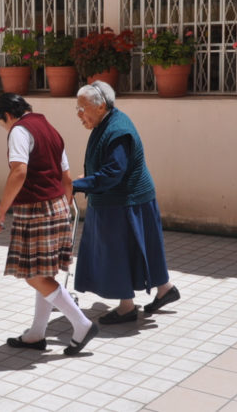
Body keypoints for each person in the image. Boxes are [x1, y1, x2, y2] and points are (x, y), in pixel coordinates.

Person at [0, 93, 98, 355]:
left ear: (7, 115)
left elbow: (18, 172)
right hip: (58, 206)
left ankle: (81, 324)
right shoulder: (51, 130)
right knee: (44, 273)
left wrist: (1, 212)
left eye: (2, 123)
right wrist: (65, 210)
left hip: (37, 209)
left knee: (34, 275)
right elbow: (67, 177)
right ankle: (37, 334)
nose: (5, 128)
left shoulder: (19, 130)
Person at [71, 81, 180, 324]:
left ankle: (126, 308)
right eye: (77, 108)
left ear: (101, 107)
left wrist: (77, 185)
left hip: (125, 202)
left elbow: (113, 173)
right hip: (127, 200)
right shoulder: (106, 122)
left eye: (82, 108)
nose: (79, 114)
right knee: (141, 247)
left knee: (116, 251)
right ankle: (165, 289)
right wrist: (86, 178)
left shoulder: (118, 130)